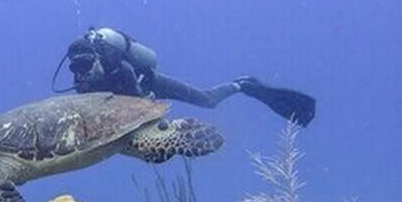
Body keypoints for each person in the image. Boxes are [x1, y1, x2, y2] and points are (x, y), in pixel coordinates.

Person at [59, 27, 316, 126]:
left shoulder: (120, 67)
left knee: (207, 100)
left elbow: (141, 109)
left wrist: (166, 126)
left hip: (146, 83)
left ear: (96, 57)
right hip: (125, 100)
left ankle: (240, 84)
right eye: (76, 68)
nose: (82, 73)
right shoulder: (82, 83)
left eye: (85, 65)